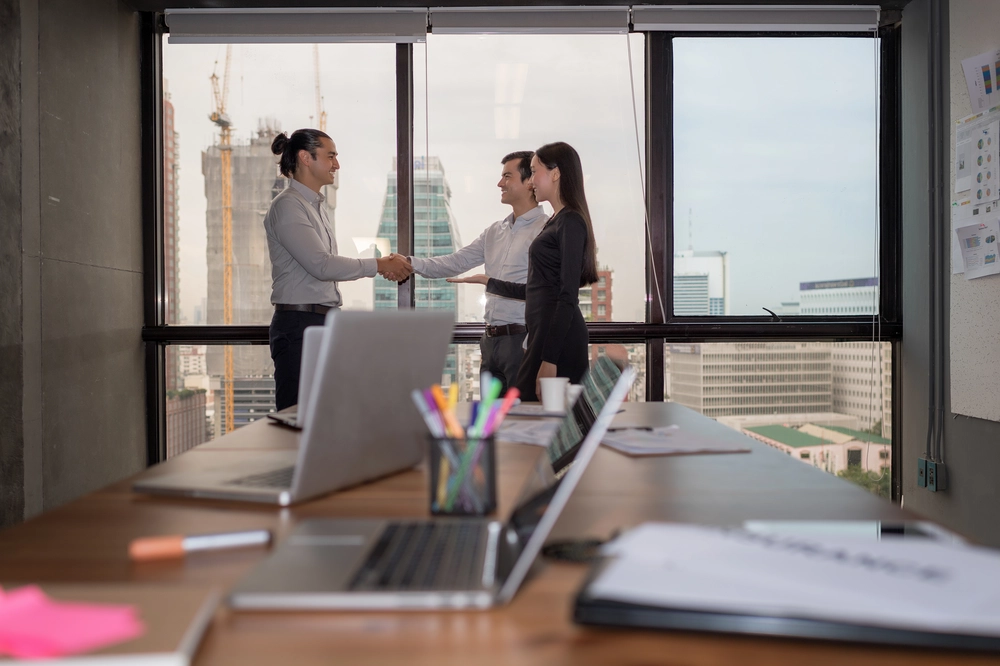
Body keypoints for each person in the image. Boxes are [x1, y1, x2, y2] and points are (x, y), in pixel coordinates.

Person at [264, 128, 412, 411]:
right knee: (296, 417)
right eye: (331, 156)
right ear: (306, 158)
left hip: (320, 321)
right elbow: (322, 265)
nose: (337, 165)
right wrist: (380, 264)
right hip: (299, 325)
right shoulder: (288, 207)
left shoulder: (314, 207)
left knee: (326, 415)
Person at [387, 151, 548, 394]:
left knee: (522, 421)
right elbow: (455, 262)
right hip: (490, 342)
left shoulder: (546, 230)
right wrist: (409, 262)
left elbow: (546, 293)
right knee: (488, 423)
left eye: (507, 176)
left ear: (529, 182)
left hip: (523, 341)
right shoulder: (495, 231)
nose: (500, 183)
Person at [448, 142, 598, 401]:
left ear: (555, 173)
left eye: (535, 171)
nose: (532, 182)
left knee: (548, 422)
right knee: (529, 416)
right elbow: (540, 290)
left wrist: (549, 359)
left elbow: (566, 297)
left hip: (556, 340)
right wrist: (490, 282)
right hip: (541, 335)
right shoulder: (556, 221)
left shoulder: (570, 221)